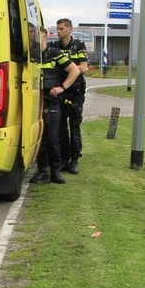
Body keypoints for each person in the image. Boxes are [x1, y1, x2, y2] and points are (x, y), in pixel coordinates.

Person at [31, 26, 81, 184]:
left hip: (52, 101)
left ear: (44, 36)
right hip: (35, 102)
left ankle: (56, 171)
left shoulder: (54, 54)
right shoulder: (30, 55)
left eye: (35, 33)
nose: (32, 36)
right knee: (40, 137)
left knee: (53, 136)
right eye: (30, 33)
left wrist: (62, 87)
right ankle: (42, 170)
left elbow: (75, 70)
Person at [48, 18, 89, 174]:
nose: (59, 32)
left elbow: (83, 68)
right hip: (60, 91)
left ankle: (75, 159)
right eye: (57, 29)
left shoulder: (78, 45)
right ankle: (64, 159)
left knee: (74, 126)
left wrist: (64, 66)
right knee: (60, 128)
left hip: (75, 92)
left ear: (70, 29)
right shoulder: (54, 46)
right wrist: (70, 66)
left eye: (62, 29)